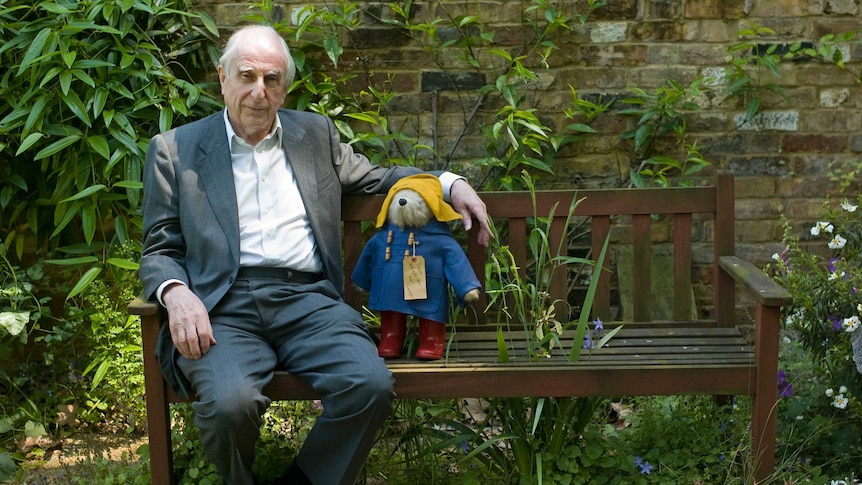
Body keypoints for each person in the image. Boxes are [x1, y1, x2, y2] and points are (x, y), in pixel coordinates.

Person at [139, 24, 491, 485]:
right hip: (221, 307)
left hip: (308, 302)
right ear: (222, 77)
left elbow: (378, 179)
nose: (258, 92)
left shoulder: (314, 134)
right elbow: (160, 244)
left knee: (370, 385)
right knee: (229, 404)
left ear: (285, 87)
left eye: (272, 79)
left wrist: (448, 182)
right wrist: (175, 291)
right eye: (246, 76)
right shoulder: (175, 150)